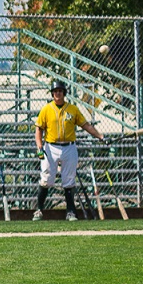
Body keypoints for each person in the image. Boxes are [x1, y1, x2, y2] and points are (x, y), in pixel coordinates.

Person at [34, 81, 107, 221]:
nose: (58, 94)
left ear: (64, 93)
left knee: (69, 180)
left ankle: (71, 212)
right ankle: (38, 210)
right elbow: (39, 129)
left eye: (60, 91)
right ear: (52, 93)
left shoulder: (72, 109)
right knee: (46, 178)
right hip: (51, 147)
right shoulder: (46, 109)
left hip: (69, 147)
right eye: (55, 91)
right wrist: (39, 147)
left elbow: (85, 125)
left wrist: (100, 136)